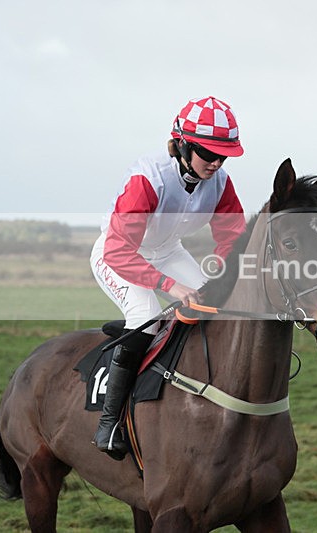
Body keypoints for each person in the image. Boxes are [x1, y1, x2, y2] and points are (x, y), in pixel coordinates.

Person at [90, 96, 247, 459]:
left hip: (166, 251)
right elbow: (118, 251)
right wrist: (168, 285)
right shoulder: (148, 179)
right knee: (145, 320)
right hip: (117, 254)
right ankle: (110, 421)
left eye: (223, 156)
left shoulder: (220, 182)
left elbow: (233, 237)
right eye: (209, 154)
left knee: (211, 305)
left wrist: (219, 276)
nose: (217, 163)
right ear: (182, 145)